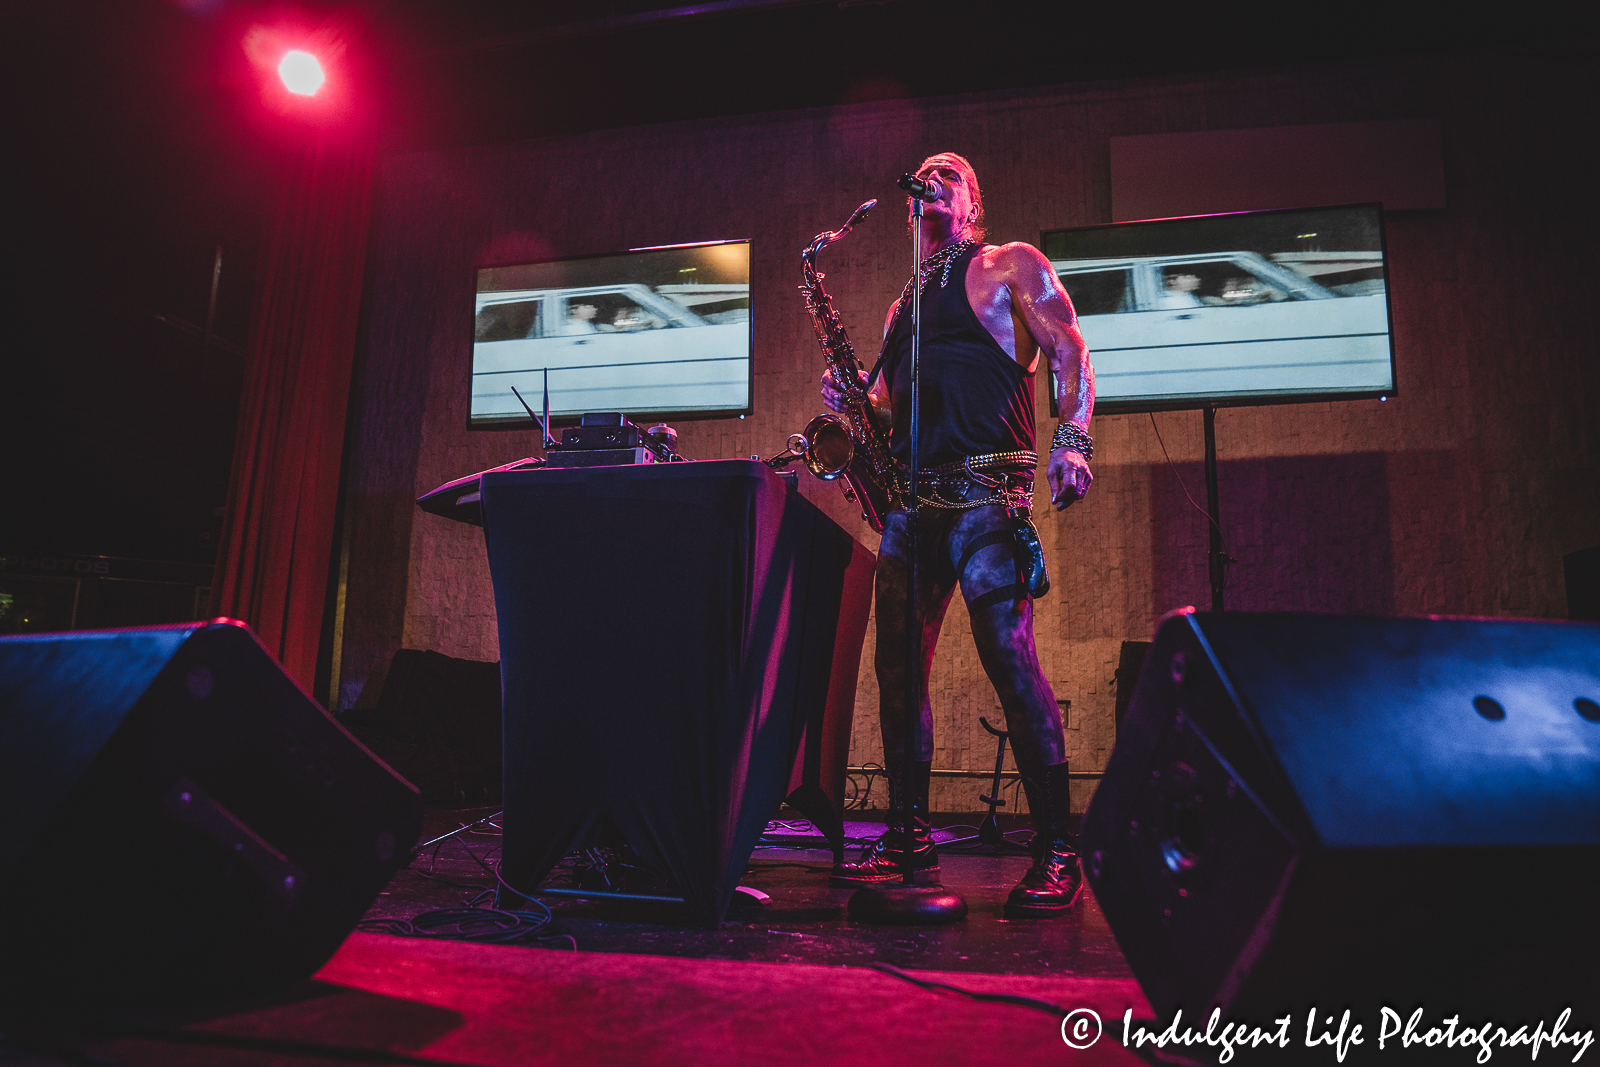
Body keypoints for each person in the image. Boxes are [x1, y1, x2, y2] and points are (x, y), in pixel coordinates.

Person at [819, 152, 1095, 917]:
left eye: (949, 172)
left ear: (971, 200)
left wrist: (1074, 439)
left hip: (987, 496)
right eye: (924, 171)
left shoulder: (1010, 264)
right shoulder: (900, 305)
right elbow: (882, 411)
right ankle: (908, 837)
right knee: (897, 671)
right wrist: (853, 397)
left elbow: (1071, 350)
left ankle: (1058, 849)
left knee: (1010, 658)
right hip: (914, 506)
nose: (930, 177)